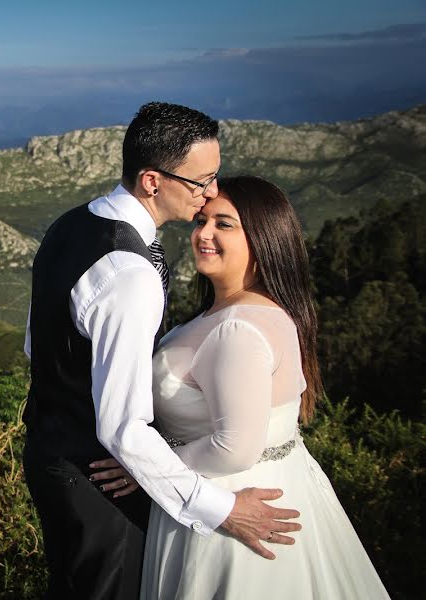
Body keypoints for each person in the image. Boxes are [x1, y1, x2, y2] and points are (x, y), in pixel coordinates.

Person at [22, 103, 301, 600]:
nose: (211, 193)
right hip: (101, 481)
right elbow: (123, 430)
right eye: (202, 182)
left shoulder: (71, 224)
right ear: (153, 180)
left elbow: (35, 343)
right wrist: (222, 510)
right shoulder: (130, 276)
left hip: (50, 454)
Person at [92, 176, 390, 598]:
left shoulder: (238, 329)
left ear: (263, 240)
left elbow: (235, 447)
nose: (203, 234)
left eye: (224, 224)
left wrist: (145, 467)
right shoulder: (253, 312)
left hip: (229, 514)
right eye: (202, 221)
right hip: (247, 491)